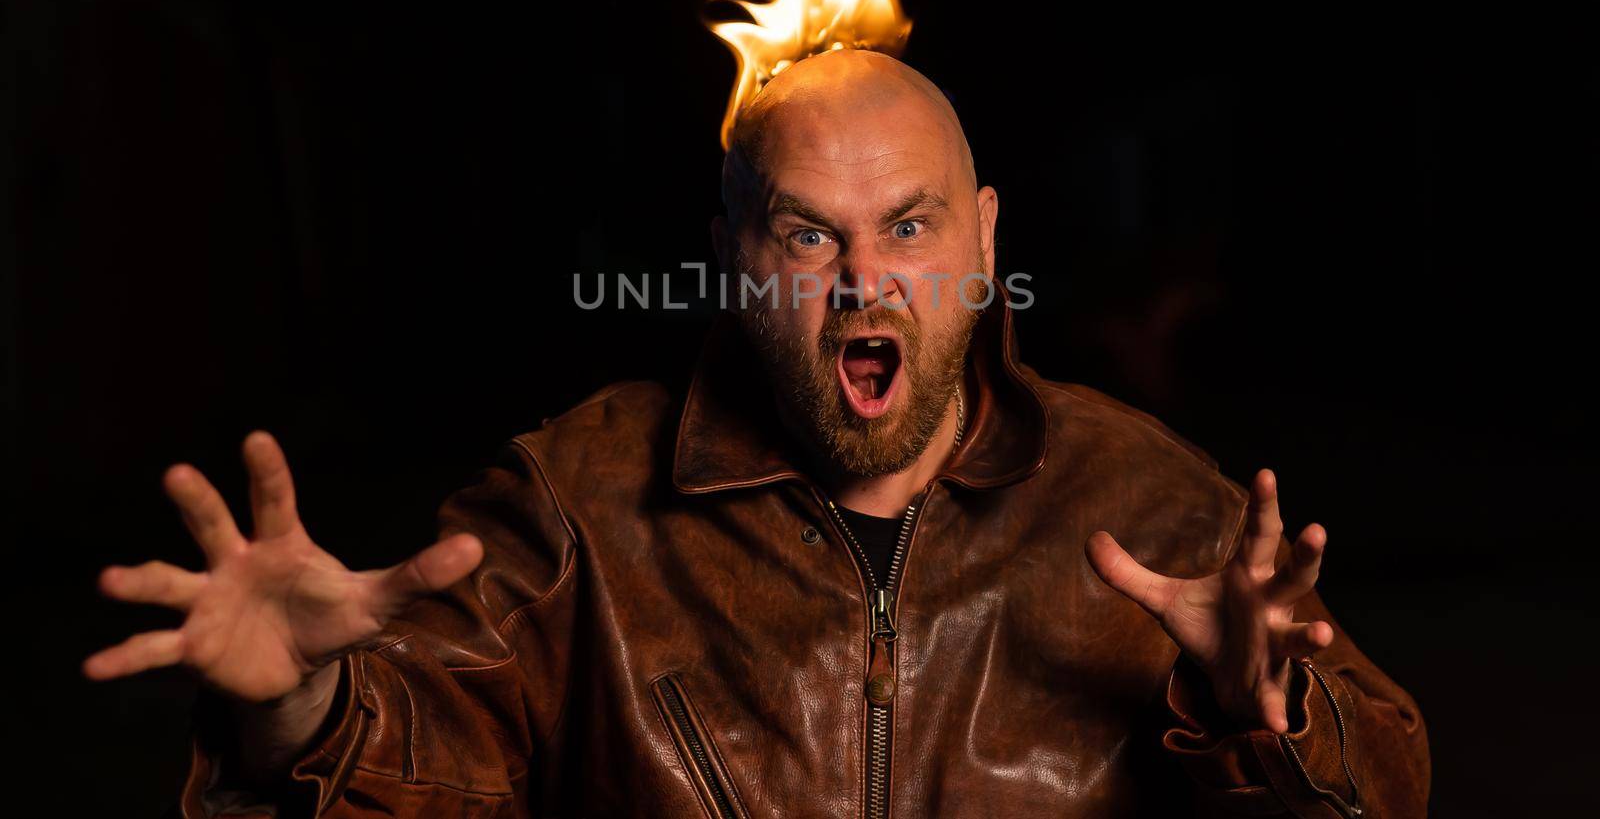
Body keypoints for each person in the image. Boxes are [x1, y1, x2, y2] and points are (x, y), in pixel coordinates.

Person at [86, 49, 1429, 817]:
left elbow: (1389, 794)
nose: (861, 278)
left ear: (985, 242)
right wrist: (300, 709)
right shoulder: (576, 508)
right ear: (731, 255)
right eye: (806, 232)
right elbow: (423, 775)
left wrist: (1274, 716)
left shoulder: (1148, 499)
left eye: (909, 225)